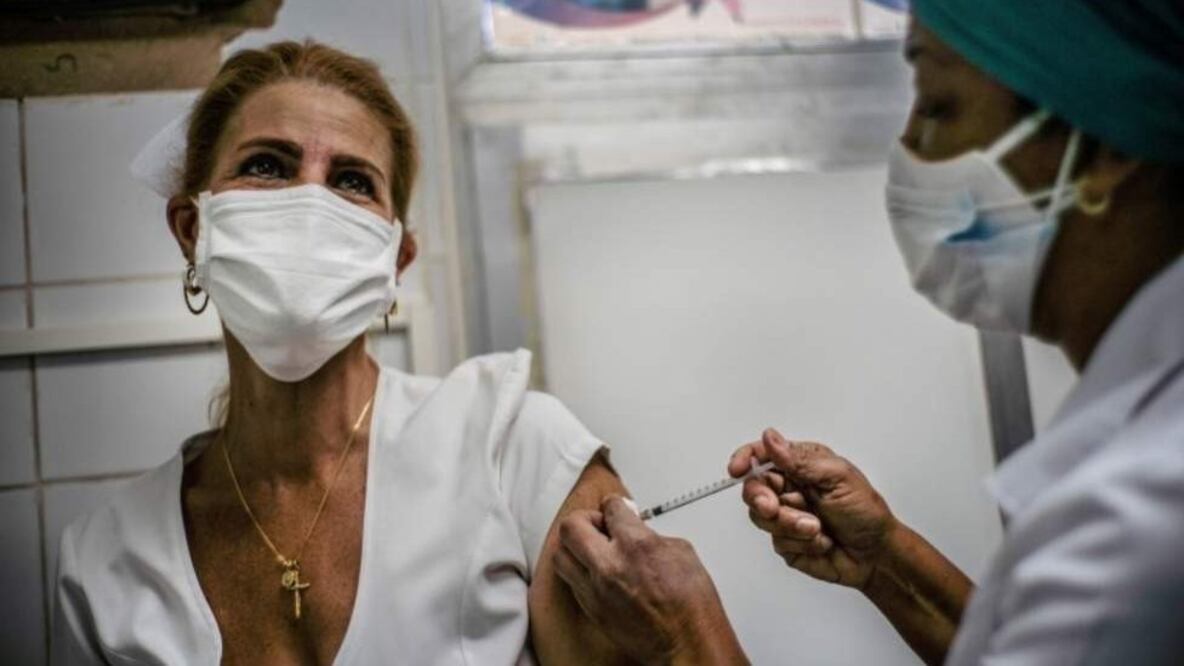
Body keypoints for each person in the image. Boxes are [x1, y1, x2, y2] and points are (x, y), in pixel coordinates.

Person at [556, 1, 1184, 664]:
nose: (910, 149)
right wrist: (884, 560)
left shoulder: (1140, 519)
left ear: (1107, 146)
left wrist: (682, 638)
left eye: (940, 106)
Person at [52, 40, 637, 665]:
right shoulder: (105, 563)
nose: (311, 205)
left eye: (352, 181)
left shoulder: (515, 450)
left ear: (395, 259)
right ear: (194, 230)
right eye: (269, 166)